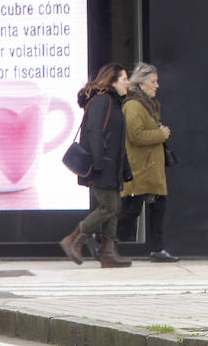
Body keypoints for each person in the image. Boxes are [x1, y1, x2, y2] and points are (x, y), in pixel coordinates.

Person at [59, 62, 134, 268]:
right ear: (113, 80)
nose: (128, 82)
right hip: (102, 165)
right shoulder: (103, 101)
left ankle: (109, 253)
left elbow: (118, 140)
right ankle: (74, 239)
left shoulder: (113, 102)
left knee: (113, 207)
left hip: (112, 165)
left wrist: (124, 168)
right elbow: (95, 132)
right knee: (110, 206)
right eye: (124, 79)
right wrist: (99, 161)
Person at [116, 62, 179, 262]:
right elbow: (135, 135)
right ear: (142, 84)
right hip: (140, 169)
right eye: (153, 81)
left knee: (157, 206)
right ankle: (105, 241)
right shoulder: (134, 105)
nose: (157, 85)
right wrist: (160, 134)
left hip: (150, 169)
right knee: (131, 209)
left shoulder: (147, 104)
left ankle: (157, 248)